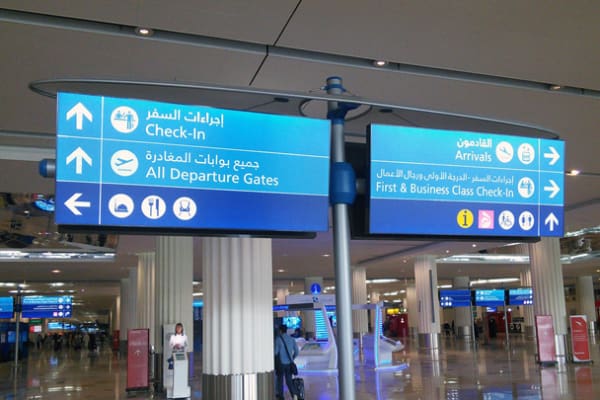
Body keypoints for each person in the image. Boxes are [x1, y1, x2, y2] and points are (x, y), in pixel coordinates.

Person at [274, 324, 300, 400]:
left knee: (280, 380)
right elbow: (297, 351)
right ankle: (294, 395)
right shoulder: (292, 339)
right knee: (289, 381)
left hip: (281, 364)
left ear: (280, 330)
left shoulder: (278, 339)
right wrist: (292, 358)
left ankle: (281, 397)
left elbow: (275, 352)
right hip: (289, 363)